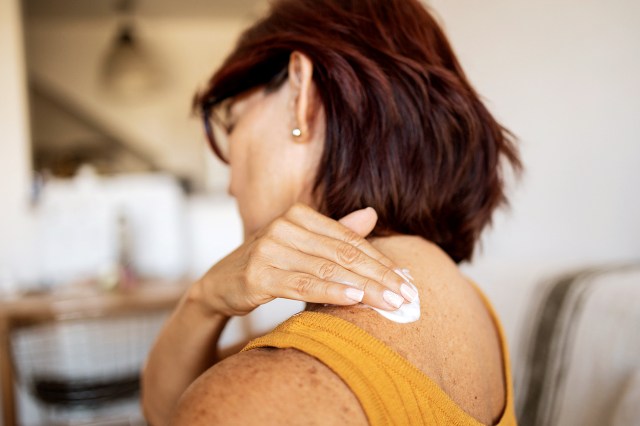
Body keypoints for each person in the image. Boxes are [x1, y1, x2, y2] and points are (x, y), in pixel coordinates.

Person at [142, 0, 521, 424]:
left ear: (300, 94)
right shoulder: (469, 307)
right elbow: (165, 407)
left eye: (231, 122)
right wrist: (205, 299)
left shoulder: (257, 399)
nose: (230, 182)